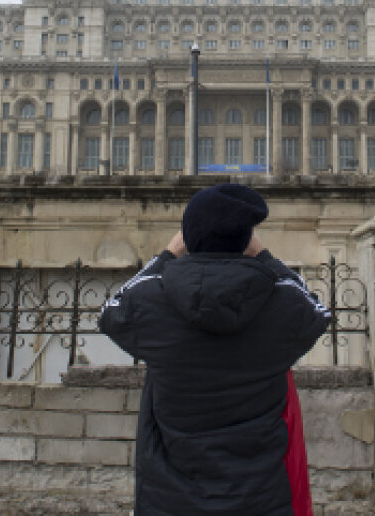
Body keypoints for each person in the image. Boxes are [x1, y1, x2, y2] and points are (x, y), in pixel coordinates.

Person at [99, 183, 332, 515]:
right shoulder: (281, 304)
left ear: (189, 237)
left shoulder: (153, 301)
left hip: (170, 499)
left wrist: (167, 255)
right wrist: (264, 255)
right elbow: (317, 309)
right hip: (260, 497)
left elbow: (111, 308)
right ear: (246, 239)